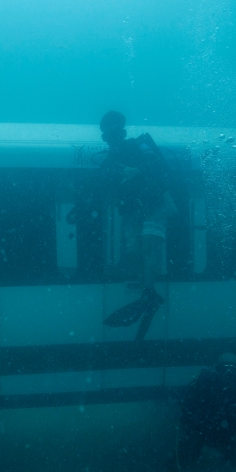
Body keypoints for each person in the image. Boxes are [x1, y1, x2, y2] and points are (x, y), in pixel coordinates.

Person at [100, 111, 179, 341]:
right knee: (133, 249)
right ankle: (146, 289)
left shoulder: (140, 147)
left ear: (122, 134)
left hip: (155, 204)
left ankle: (149, 293)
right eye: (107, 138)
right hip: (135, 211)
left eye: (115, 135)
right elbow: (103, 177)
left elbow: (162, 170)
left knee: (147, 247)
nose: (112, 141)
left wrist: (137, 171)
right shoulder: (112, 159)